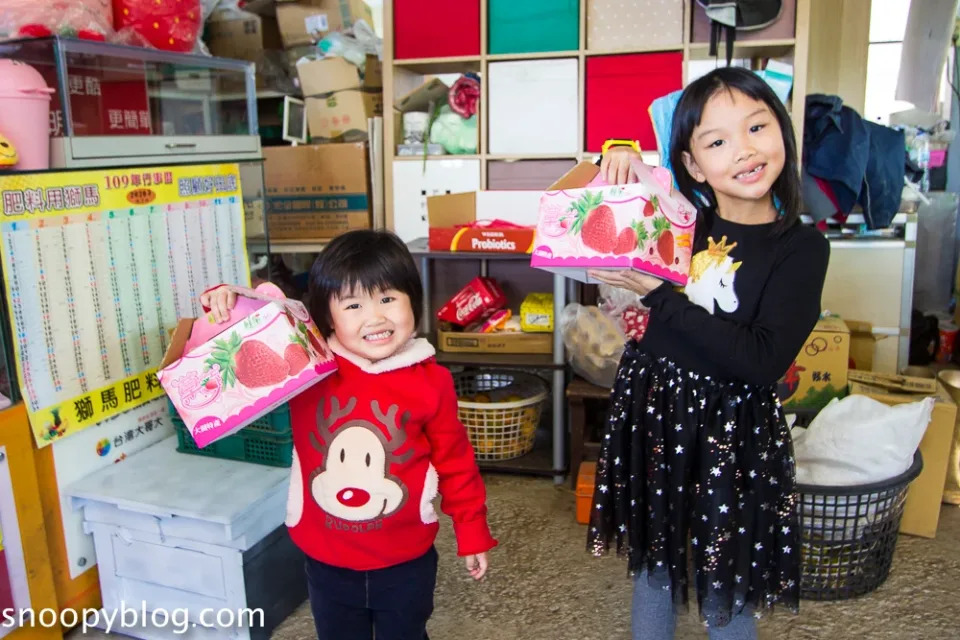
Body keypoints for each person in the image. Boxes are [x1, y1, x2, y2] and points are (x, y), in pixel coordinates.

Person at [587, 67, 830, 639]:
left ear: (783, 133)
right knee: (652, 566)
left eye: (757, 127)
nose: (744, 151)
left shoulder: (801, 247)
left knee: (728, 574)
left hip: (732, 431)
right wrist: (618, 157)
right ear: (693, 165)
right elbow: (615, 193)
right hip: (655, 411)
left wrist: (659, 297)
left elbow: (760, 360)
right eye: (717, 141)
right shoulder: (679, 222)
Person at [201, 230, 496, 640]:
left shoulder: (433, 382)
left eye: (388, 299)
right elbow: (261, 317)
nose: (375, 318)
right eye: (353, 304)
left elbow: (456, 461)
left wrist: (472, 528)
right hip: (326, 559)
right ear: (327, 315)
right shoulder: (306, 366)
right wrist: (228, 299)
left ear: (414, 301)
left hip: (406, 559)